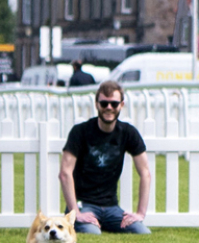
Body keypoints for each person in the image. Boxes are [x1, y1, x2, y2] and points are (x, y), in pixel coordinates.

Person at [60, 79, 152, 234]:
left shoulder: (128, 133)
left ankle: (105, 223)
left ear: (121, 105)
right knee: (93, 232)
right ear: (97, 104)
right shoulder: (80, 132)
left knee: (142, 232)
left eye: (114, 104)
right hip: (84, 205)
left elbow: (145, 173)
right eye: (104, 103)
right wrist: (75, 212)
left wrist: (140, 214)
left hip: (112, 208)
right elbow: (65, 173)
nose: (109, 107)